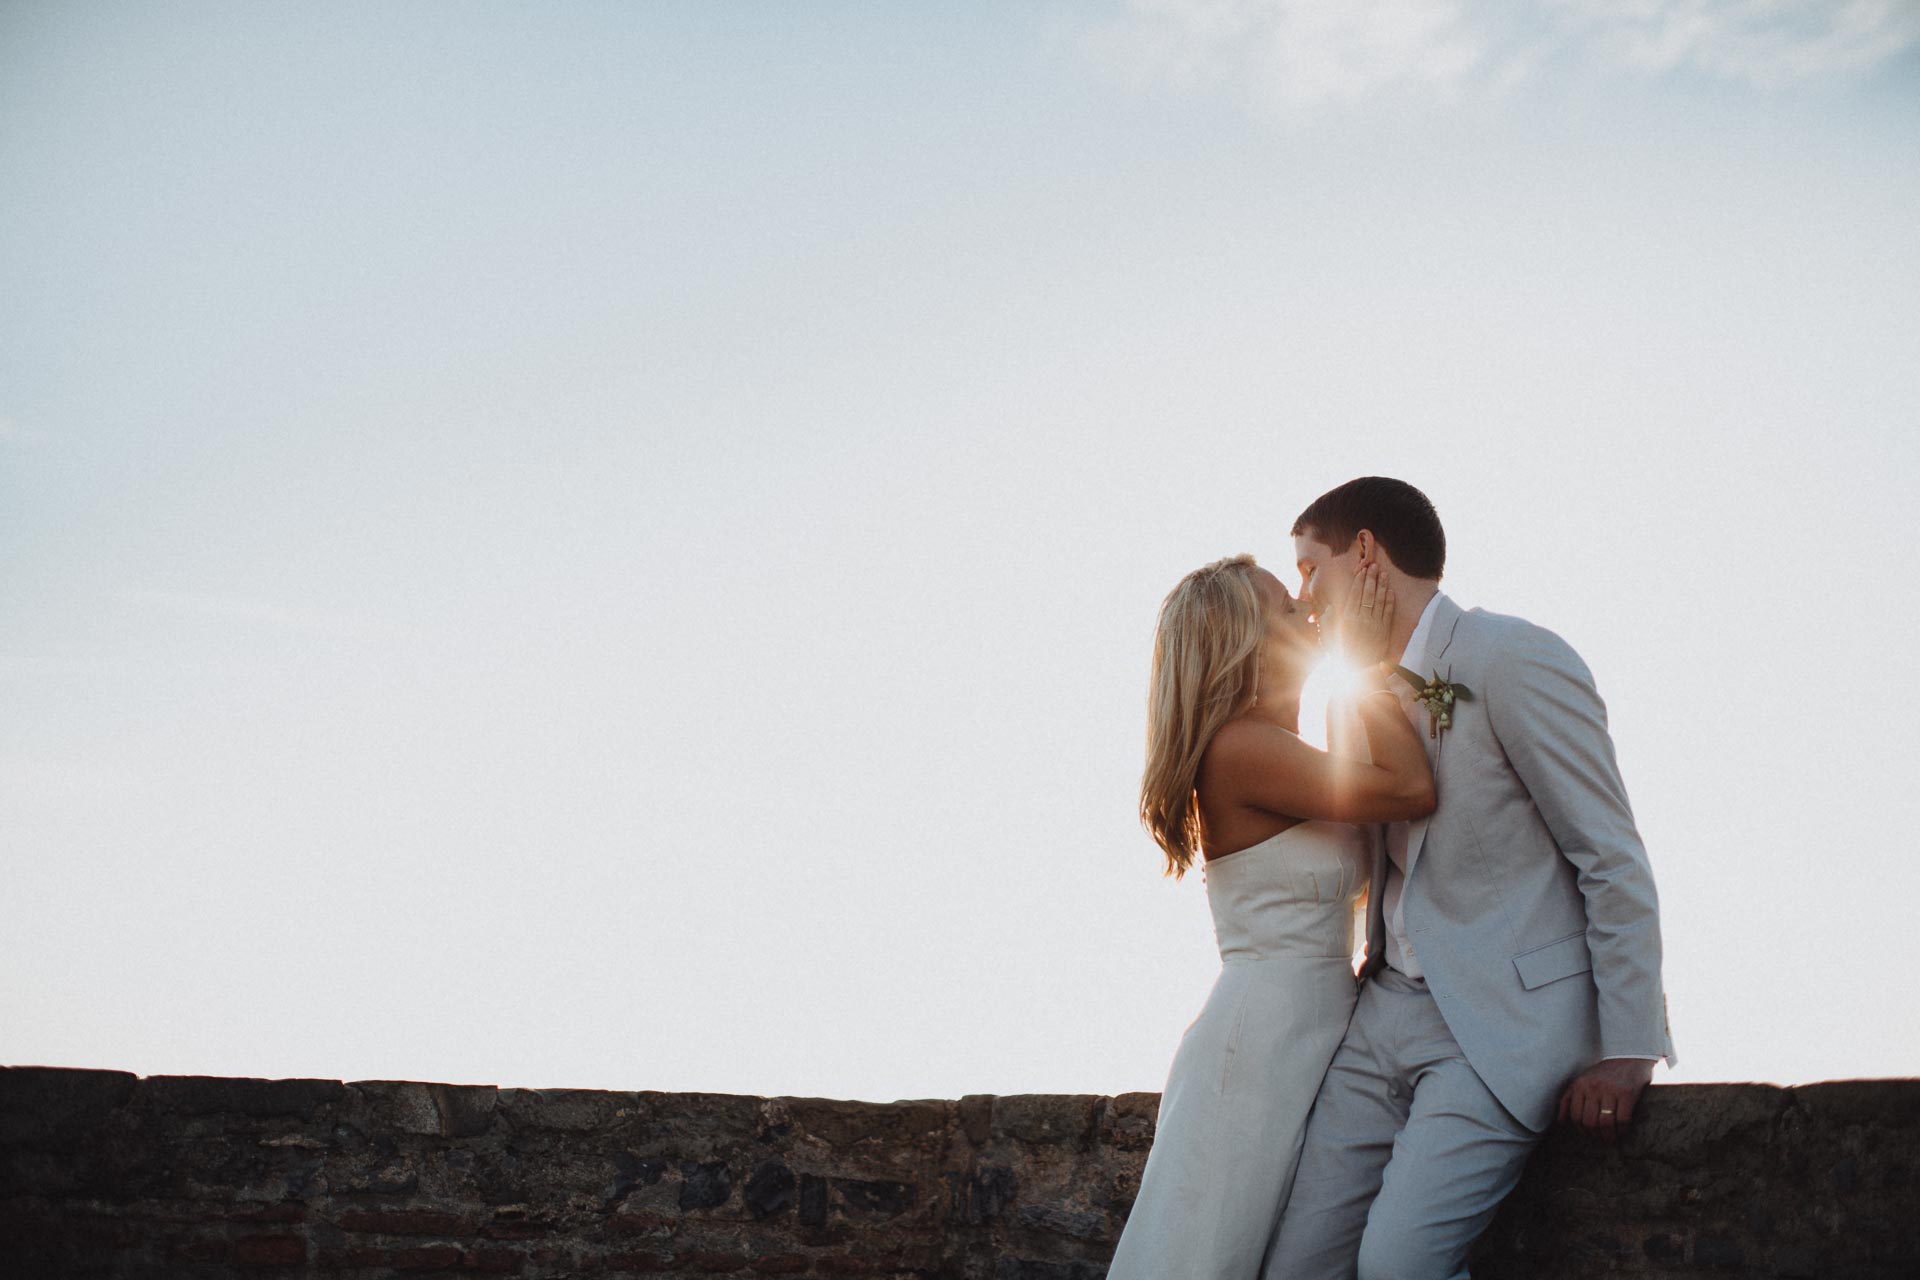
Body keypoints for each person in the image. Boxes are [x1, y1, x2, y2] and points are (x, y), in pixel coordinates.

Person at [1265, 476, 1675, 1280]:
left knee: (1396, 1269)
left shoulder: (1512, 657)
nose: (1303, 595)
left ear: (1366, 553)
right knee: (1295, 1268)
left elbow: (1610, 853)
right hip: (1381, 1014)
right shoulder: (1351, 696)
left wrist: (1629, 1047)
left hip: (1496, 1026)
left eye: (1312, 568)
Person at [1107, 553, 1436, 1280]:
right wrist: (1373, 659)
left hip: (1313, 1033)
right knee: (1211, 1257)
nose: (1309, 612)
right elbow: (1410, 787)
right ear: (1246, 640)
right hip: (1256, 1049)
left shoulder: (1285, 745)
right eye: (1288, 608)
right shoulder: (1238, 750)